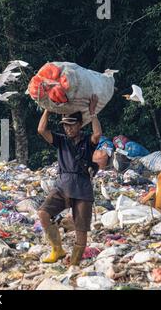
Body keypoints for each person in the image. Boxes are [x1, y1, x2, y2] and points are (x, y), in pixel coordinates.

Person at [36, 94, 102, 266]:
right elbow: (41, 130)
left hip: (82, 188)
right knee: (43, 213)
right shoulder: (61, 141)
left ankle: (73, 264)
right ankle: (57, 249)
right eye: (65, 126)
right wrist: (48, 109)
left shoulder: (88, 141)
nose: (68, 129)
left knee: (81, 231)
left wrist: (93, 113)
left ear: (80, 125)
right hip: (63, 185)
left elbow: (98, 133)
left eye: (71, 125)